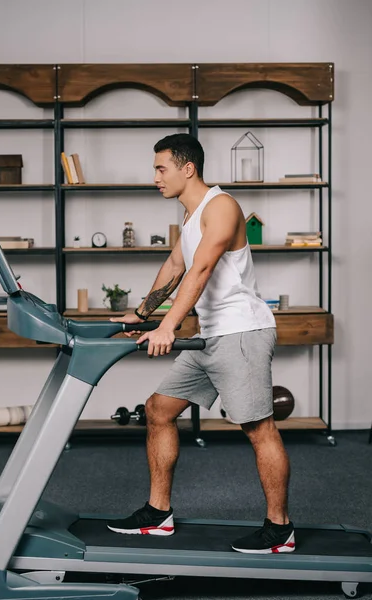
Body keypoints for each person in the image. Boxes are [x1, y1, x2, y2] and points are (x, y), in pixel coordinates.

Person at [107, 133, 295, 554]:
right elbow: (176, 266)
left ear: (186, 168)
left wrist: (168, 326)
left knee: (258, 428)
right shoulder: (192, 217)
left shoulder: (222, 206)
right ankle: (158, 514)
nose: (155, 177)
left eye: (161, 168)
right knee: (159, 410)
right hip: (209, 335)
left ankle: (280, 529)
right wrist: (141, 315)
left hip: (241, 333)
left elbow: (203, 267)